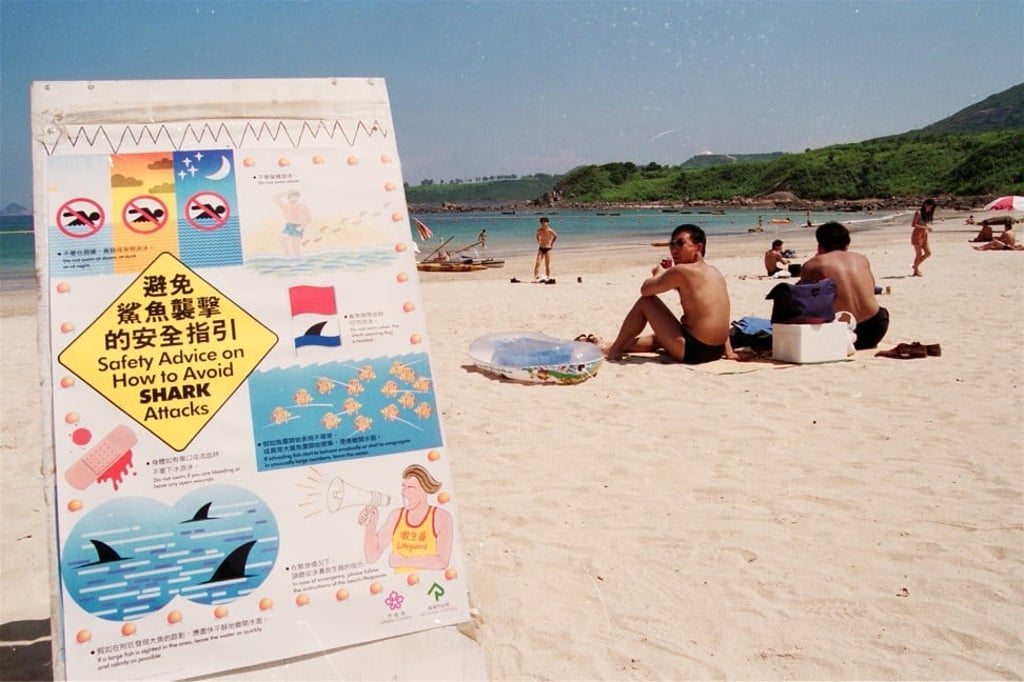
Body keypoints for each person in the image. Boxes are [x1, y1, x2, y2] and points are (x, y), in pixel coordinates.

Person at [603, 224, 735, 363]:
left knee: (646, 302)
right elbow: (717, 314)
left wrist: (658, 273)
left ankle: (614, 350)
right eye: (671, 245)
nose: (674, 249)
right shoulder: (714, 272)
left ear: (698, 247)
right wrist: (729, 352)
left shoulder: (682, 270)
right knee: (657, 339)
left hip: (694, 350)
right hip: (716, 350)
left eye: (680, 243)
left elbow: (646, 290)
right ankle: (608, 345)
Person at [799, 221, 889, 350]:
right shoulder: (862, 259)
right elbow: (872, 287)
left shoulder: (812, 264)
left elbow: (806, 301)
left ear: (820, 245)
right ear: (847, 243)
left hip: (839, 333)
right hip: (875, 329)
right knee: (881, 310)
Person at [359, 464, 453, 573]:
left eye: (410, 487)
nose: (403, 492)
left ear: (425, 489)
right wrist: (371, 524)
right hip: (401, 586)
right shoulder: (396, 515)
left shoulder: (442, 517)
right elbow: (371, 556)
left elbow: (442, 561)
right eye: (403, 486)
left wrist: (406, 561)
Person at [275, 189, 311, 257]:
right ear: (289, 197)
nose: (295, 198)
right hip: (289, 226)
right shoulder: (285, 206)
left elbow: (309, 218)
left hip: (298, 226)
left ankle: (299, 262)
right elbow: (275, 197)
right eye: (293, 196)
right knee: (282, 240)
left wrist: (302, 226)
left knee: (296, 248)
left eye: (297, 197)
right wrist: (287, 192)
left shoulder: (302, 206)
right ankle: (287, 256)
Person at [910, 198, 937, 276]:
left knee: (928, 253)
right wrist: (925, 228)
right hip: (917, 235)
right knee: (919, 254)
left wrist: (926, 228)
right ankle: (916, 270)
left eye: (932, 208)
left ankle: (915, 266)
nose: (930, 209)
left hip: (924, 235)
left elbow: (923, 224)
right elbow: (913, 225)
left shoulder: (927, 213)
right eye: (930, 207)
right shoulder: (918, 213)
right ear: (926, 205)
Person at [533, 217, 558, 282]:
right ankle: (535, 278)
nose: (543, 224)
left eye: (545, 222)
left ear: (547, 223)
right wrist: (539, 242)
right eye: (542, 222)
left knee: (547, 264)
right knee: (537, 263)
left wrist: (552, 243)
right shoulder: (539, 231)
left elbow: (555, 236)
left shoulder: (550, 230)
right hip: (541, 248)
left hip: (548, 248)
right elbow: (537, 236)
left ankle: (548, 277)